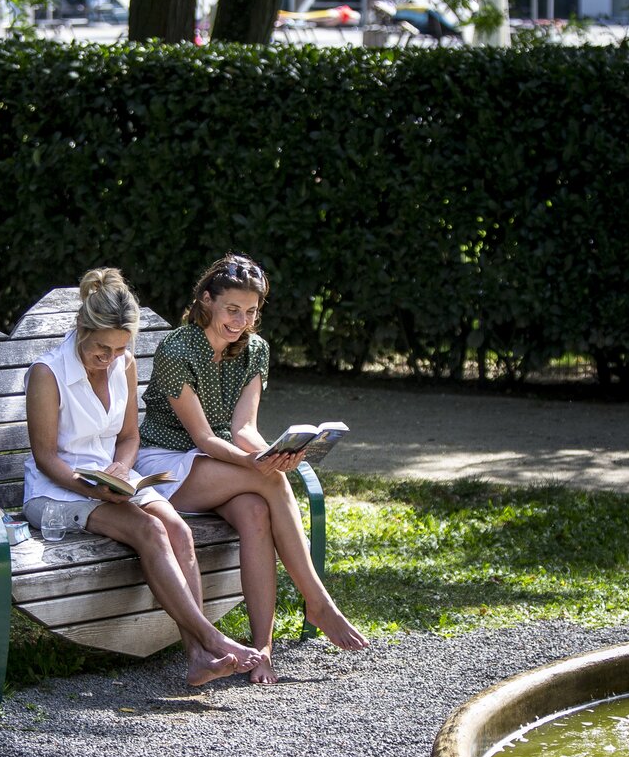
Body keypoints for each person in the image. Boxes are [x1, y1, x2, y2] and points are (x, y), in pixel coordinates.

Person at [23, 267, 265, 686]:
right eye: (102, 348)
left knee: (178, 530)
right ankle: (211, 640)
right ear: (81, 328)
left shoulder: (124, 363)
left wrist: (120, 468)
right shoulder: (47, 374)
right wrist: (91, 488)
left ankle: (197, 658)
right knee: (150, 531)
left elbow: (130, 437)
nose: (110, 358)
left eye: (119, 349)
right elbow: (46, 459)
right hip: (58, 492)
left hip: (113, 482)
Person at [135, 253, 369, 685]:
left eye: (250, 312)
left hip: (220, 462)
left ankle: (262, 649)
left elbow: (244, 428)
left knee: (257, 512)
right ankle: (317, 600)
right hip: (166, 464)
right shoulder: (177, 349)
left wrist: (275, 453)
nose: (240, 320)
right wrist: (256, 465)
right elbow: (203, 438)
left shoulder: (255, 350)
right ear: (207, 301)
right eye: (231, 309)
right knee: (271, 479)